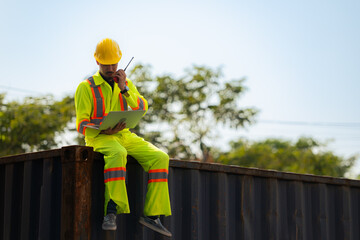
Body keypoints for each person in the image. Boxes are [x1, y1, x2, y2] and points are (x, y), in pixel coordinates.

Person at [75, 38, 172, 237]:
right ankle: (111, 211)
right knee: (118, 153)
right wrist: (103, 130)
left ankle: (152, 216)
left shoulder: (125, 84)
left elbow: (142, 107)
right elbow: (81, 124)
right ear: (97, 62)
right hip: (99, 138)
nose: (111, 68)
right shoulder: (86, 87)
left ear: (119, 62)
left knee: (161, 157)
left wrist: (124, 90)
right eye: (106, 64)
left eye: (114, 63)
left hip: (124, 134)